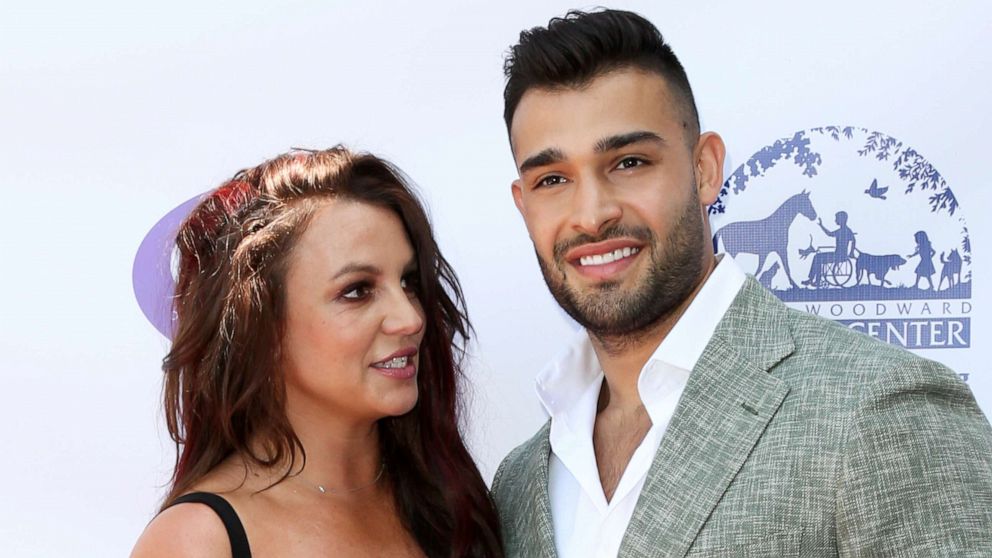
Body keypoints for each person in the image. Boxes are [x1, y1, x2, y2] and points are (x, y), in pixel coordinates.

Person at [491, 9, 992, 557]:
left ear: (705, 169)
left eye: (629, 162)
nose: (591, 214)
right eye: (553, 180)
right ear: (523, 204)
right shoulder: (517, 483)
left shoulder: (878, 411)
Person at [132, 147, 502, 557]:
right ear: (263, 327)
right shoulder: (200, 539)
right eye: (358, 290)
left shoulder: (451, 505)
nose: (410, 318)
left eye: (409, 281)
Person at [803, 210, 856, 287]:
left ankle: (814, 280)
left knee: (818, 258)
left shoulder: (845, 231)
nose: (835, 220)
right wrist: (821, 225)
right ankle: (814, 280)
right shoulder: (843, 230)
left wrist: (851, 252)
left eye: (837, 218)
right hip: (837, 254)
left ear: (842, 220)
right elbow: (830, 234)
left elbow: (853, 240)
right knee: (818, 257)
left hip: (840, 256)